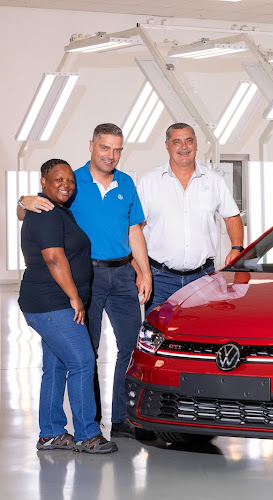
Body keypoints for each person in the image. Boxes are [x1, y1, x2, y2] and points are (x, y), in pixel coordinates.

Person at [18, 124, 151, 440]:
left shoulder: (126, 182)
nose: (111, 155)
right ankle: (90, 424)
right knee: (84, 351)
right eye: (105, 147)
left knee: (131, 348)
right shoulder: (72, 182)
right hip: (85, 275)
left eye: (117, 149)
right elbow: (37, 213)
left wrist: (143, 271)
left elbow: (134, 231)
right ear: (92, 145)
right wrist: (23, 201)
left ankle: (121, 418)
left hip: (122, 274)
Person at [19, 159, 117, 454]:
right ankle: (88, 434)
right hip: (53, 304)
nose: (66, 184)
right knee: (83, 362)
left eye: (70, 180)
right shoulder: (45, 213)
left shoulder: (59, 212)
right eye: (58, 179)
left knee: (56, 365)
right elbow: (54, 258)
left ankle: (50, 433)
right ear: (43, 182)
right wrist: (75, 297)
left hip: (47, 303)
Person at [137, 123, 243, 314]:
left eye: (189, 140)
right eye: (176, 141)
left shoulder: (214, 181)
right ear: (167, 145)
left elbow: (232, 216)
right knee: (159, 336)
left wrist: (237, 248)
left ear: (196, 144)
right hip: (159, 279)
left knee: (202, 334)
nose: (184, 147)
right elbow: (135, 228)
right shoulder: (148, 182)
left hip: (203, 278)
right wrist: (139, 270)